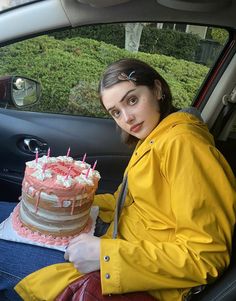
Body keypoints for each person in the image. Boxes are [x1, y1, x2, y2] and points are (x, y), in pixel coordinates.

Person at [0, 58, 235, 301]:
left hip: (136, 275)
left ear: (157, 89)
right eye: (116, 112)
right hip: (115, 237)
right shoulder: (155, 137)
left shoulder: (184, 146)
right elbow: (125, 201)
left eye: (132, 100)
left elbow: (206, 257)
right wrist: (57, 199)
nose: (127, 118)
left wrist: (105, 254)